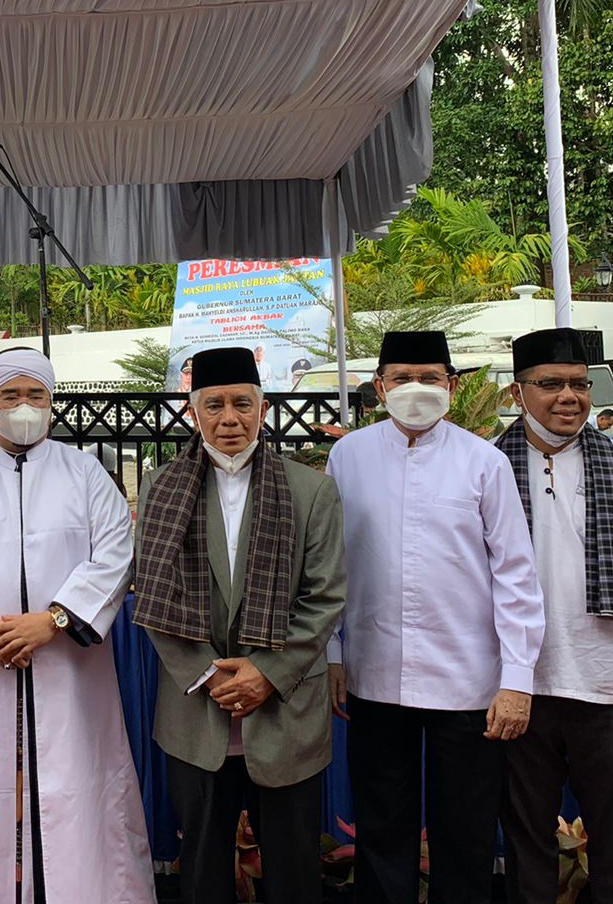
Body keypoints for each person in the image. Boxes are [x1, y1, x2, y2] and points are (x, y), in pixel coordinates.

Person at [0, 348, 155, 904]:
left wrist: (54, 620)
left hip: (70, 665)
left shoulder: (87, 473)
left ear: (52, 402)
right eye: (10, 396)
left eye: (35, 395)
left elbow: (115, 555)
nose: (24, 407)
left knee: (80, 784)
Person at [325, 330, 544, 904]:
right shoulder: (347, 456)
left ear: (451, 385)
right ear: (378, 387)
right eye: (401, 378)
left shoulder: (485, 462)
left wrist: (517, 680)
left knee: (466, 833)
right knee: (381, 828)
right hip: (375, 675)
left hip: (469, 682)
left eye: (429, 377)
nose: (415, 389)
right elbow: (329, 565)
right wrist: (334, 654)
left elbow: (516, 576)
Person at [134, 346, 346, 904]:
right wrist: (212, 677)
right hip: (195, 712)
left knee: (295, 869)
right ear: (193, 411)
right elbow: (155, 595)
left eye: (242, 404)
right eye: (215, 405)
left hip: (285, 710)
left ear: (263, 407)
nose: (230, 418)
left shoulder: (310, 489)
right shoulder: (161, 487)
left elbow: (325, 596)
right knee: (202, 868)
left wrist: (266, 674)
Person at [494, 328, 613, 904]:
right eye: (550, 384)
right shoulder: (485, 468)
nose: (568, 397)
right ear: (517, 391)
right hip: (517, 689)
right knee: (526, 849)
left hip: (611, 690)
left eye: (579, 384)